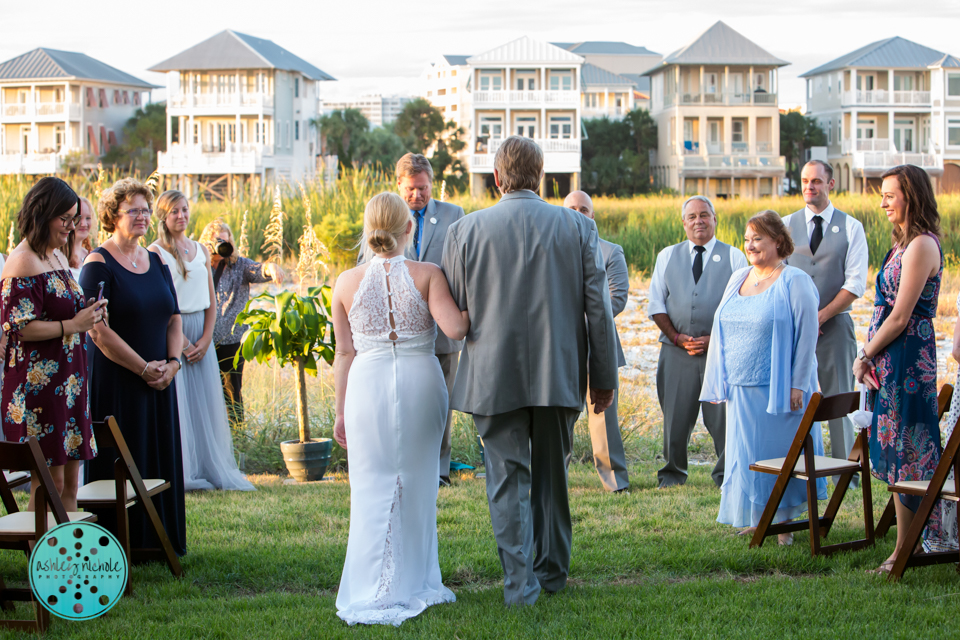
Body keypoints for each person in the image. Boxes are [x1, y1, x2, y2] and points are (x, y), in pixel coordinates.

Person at [442, 136, 618, 605]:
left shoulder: (464, 231)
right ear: (540, 177)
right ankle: (553, 574)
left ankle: (520, 586)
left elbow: (455, 309)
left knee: (505, 481)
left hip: (491, 374)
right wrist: (603, 378)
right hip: (556, 372)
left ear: (497, 178)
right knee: (552, 478)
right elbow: (598, 310)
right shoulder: (579, 228)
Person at [331, 192, 468, 625]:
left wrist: (338, 412)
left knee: (369, 487)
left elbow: (343, 353)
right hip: (421, 384)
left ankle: (371, 585)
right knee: (419, 482)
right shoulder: (428, 274)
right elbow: (457, 329)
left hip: (365, 388)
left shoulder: (344, 282)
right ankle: (413, 581)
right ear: (410, 228)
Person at [701, 210, 827, 545]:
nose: (750, 245)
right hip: (741, 386)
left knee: (779, 454)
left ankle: (782, 524)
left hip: (779, 388)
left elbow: (807, 334)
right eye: (747, 239)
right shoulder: (738, 277)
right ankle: (759, 520)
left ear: (777, 240)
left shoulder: (794, 281)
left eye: (758, 238)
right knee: (749, 455)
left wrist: (799, 383)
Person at [80, 177, 187, 557]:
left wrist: (172, 365)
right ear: (113, 216)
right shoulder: (97, 264)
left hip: (161, 378)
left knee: (157, 454)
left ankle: (160, 541)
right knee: (122, 460)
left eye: (146, 210)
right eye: (134, 210)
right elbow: (98, 331)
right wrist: (143, 368)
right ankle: (118, 545)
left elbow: (174, 317)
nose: (143, 216)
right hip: (119, 380)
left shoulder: (157, 259)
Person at [853, 164, 946, 573]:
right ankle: (908, 545)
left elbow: (900, 316)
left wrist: (865, 354)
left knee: (910, 448)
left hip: (908, 359)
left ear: (911, 195)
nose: (883, 201)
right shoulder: (900, 243)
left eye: (890, 194)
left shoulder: (922, 245)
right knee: (893, 447)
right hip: (890, 360)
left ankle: (908, 549)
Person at [358, 153, 465, 486]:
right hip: (399, 330)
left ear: (431, 184)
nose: (417, 195)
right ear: (398, 185)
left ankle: (439, 470)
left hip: (443, 325)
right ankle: (399, 466)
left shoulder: (453, 215)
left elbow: (462, 269)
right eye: (411, 189)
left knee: (440, 405)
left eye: (423, 188)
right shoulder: (384, 215)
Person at [1, 177, 105, 510]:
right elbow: (18, 328)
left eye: (75, 219)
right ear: (42, 214)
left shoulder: (56, 256)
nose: (72, 227)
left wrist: (88, 313)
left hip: (70, 381)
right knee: (49, 484)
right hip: (38, 388)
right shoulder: (22, 261)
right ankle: (40, 556)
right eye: (65, 219)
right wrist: (73, 325)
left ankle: (67, 560)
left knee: (71, 485)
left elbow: (62, 308)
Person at [150, 192, 253, 492]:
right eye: (174, 212)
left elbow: (211, 300)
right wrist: (181, 342)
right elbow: (162, 301)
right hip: (174, 328)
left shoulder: (200, 251)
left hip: (202, 330)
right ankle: (185, 469)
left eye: (184, 210)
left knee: (207, 402)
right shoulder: (155, 253)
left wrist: (207, 338)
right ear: (164, 217)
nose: (181, 216)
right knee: (180, 402)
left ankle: (212, 465)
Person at [649, 196, 747, 488]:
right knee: (675, 418)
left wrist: (714, 339)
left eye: (704, 215)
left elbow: (741, 308)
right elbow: (656, 305)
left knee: (723, 418)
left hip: (721, 352)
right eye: (691, 216)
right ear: (684, 223)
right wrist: (677, 338)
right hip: (675, 351)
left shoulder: (734, 257)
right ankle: (672, 475)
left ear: (715, 219)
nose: (698, 221)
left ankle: (726, 474)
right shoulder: (667, 255)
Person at [783, 161, 868, 478]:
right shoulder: (785, 224)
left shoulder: (851, 227)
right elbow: (779, 275)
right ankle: (797, 463)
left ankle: (846, 470)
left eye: (816, 181)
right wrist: (801, 319)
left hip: (836, 325)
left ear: (831, 184)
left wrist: (821, 315)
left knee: (840, 397)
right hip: (793, 328)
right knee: (794, 394)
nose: (809, 186)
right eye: (805, 180)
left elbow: (855, 282)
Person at [563, 190, 630, 493]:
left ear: (593, 215)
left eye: (584, 209)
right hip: (560, 345)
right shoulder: (550, 248)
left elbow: (617, 298)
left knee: (602, 417)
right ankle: (554, 478)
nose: (578, 214)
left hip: (598, 343)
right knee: (559, 414)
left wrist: (580, 317)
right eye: (572, 208)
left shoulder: (611, 251)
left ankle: (614, 481)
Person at [198, 219, 284, 425]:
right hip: (203, 340)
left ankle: (238, 436)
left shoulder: (239, 265)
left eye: (225, 242)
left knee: (232, 392)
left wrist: (271, 268)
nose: (222, 246)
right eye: (217, 242)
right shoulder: (197, 265)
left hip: (232, 341)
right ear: (205, 243)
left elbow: (259, 269)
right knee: (205, 392)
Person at [64, 196, 96, 281]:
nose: (84, 224)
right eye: (79, 218)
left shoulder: (91, 256)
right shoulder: (59, 257)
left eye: (88, 218)